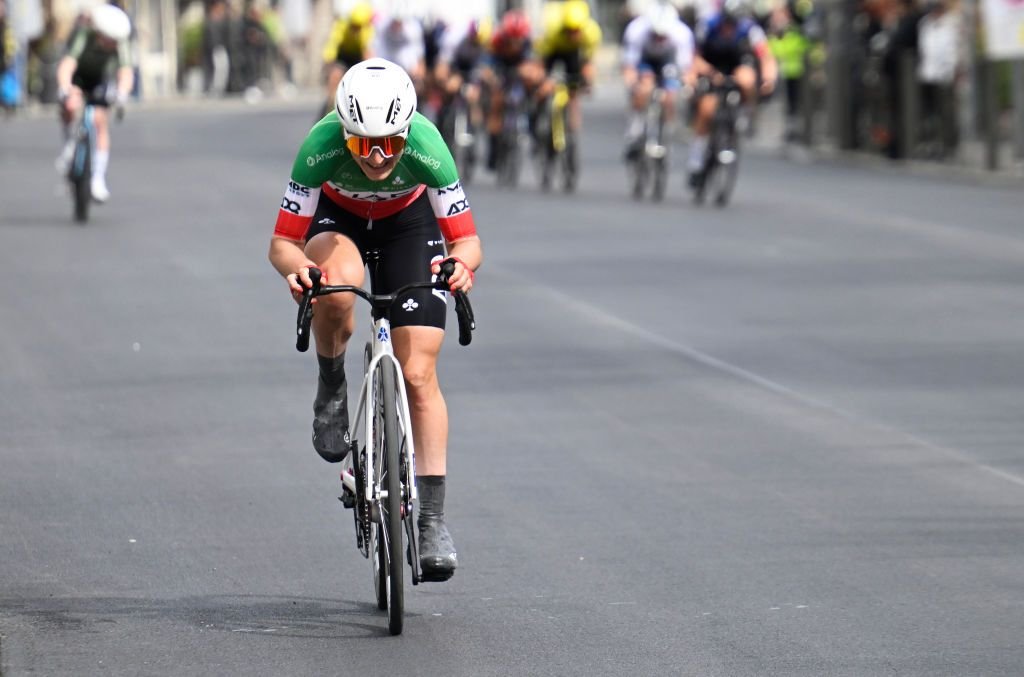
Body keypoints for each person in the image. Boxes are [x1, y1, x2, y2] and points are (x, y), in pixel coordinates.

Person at [268, 58, 482, 582]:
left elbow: (468, 241)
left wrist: (462, 268)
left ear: (407, 132)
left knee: (418, 374)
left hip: (409, 226)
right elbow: (282, 244)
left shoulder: (429, 146)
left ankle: (431, 522)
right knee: (336, 288)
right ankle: (332, 383)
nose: (380, 157)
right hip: (338, 223)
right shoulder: (319, 145)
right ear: (345, 133)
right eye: (365, 145)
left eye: (391, 143)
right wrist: (300, 271)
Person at [688, 0, 777, 185]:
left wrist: (769, 78)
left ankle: (745, 115)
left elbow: (766, 56)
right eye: (726, 24)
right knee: (706, 110)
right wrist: (708, 74)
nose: (729, 29)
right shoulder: (707, 25)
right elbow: (693, 56)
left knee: (747, 79)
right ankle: (696, 161)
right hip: (711, 67)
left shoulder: (750, 29)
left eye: (732, 25)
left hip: (736, 65)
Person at [55, 3, 134, 203]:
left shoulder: (120, 41)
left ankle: (98, 178)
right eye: (110, 41)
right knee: (71, 106)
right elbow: (67, 64)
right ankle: (69, 145)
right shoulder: (84, 35)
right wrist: (65, 87)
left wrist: (123, 93)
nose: (113, 45)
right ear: (100, 34)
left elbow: (125, 71)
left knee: (99, 120)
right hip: (78, 78)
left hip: (100, 80)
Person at [621, 2, 696, 159]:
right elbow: (630, 65)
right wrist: (632, 82)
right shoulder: (637, 30)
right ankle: (635, 130)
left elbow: (686, 67)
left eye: (663, 37)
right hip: (645, 59)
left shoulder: (681, 34)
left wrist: (687, 83)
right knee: (644, 87)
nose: (659, 39)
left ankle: (667, 132)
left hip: (669, 60)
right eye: (656, 35)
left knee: (670, 96)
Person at [535, 0, 602, 139]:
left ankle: (572, 129)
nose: (573, 35)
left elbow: (588, 62)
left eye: (576, 31)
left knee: (573, 90)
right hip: (554, 52)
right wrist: (542, 79)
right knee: (543, 88)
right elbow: (542, 60)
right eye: (569, 31)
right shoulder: (553, 31)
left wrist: (587, 81)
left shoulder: (592, 33)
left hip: (573, 54)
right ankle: (538, 116)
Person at [319, 2, 374, 119]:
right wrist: (328, 59)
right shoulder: (342, 25)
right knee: (335, 77)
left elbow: (367, 51)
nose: (355, 30)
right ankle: (329, 107)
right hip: (344, 56)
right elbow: (333, 43)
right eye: (354, 26)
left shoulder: (367, 29)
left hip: (357, 57)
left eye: (358, 27)